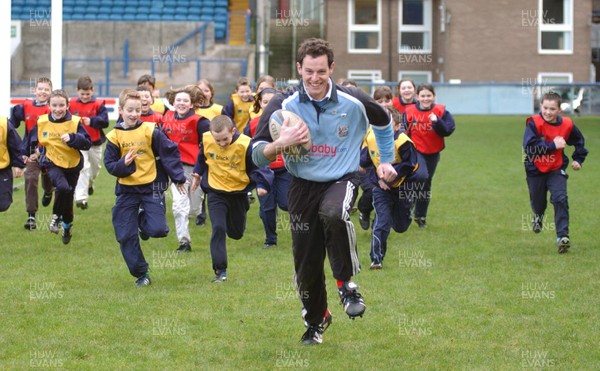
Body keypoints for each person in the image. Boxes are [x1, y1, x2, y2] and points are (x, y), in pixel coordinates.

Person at [251, 38, 397, 345]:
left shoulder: (353, 98)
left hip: (341, 178)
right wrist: (281, 142)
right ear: (298, 69)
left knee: (334, 212)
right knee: (306, 266)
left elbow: (384, 121)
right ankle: (317, 320)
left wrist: (385, 161)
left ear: (331, 68)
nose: (315, 78)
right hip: (301, 186)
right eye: (308, 71)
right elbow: (253, 153)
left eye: (321, 71)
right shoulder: (282, 105)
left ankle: (346, 284)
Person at [104, 89, 187, 287]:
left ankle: (143, 220)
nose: (133, 114)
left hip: (151, 187)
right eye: (129, 110)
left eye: (137, 110)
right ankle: (142, 273)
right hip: (126, 192)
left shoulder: (151, 130)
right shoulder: (113, 137)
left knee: (159, 230)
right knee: (124, 235)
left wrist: (178, 177)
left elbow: (169, 152)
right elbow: (110, 167)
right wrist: (124, 163)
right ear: (121, 110)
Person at [191, 115, 268, 282]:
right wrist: (197, 174)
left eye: (225, 139)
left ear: (233, 131)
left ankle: (244, 205)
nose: (221, 144)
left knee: (236, 233)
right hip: (215, 191)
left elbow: (259, 166)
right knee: (218, 227)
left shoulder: (246, 144)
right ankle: (220, 270)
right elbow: (203, 158)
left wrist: (262, 184)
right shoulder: (206, 139)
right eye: (217, 140)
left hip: (238, 193)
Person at [22, 89, 92, 244]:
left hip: (72, 165)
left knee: (67, 198)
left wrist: (73, 138)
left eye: (62, 105)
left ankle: (67, 225)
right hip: (51, 162)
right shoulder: (42, 122)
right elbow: (30, 138)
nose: (58, 109)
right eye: (55, 105)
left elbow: (87, 143)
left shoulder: (74, 122)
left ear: (67, 106)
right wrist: (27, 153)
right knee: (63, 188)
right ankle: (55, 217)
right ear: (49, 105)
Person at [523, 91, 588, 253]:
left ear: (559, 110)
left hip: (556, 168)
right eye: (545, 107)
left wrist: (578, 159)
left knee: (560, 198)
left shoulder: (567, 124)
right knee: (538, 203)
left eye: (552, 109)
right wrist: (553, 145)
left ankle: (562, 237)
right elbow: (529, 148)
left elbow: (579, 141)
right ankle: (538, 215)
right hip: (535, 169)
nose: (547, 112)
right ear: (541, 106)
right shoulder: (534, 123)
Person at [360, 107, 421, 269]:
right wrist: (377, 177)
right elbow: (366, 161)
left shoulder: (403, 142)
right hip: (380, 188)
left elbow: (411, 165)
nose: (381, 129)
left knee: (400, 226)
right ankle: (376, 258)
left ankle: (408, 208)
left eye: (387, 125)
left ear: (396, 126)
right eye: (378, 125)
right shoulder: (371, 137)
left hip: (403, 187)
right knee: (382, 220)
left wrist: (390, 178)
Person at [163, 85, 210, 251]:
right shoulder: (166, 117)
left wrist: (200, 171)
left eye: (185, 100)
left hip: (196, 169)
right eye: (178, 100)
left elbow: (209, 145)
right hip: (176, 170)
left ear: (191, 104)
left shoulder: (200, 122)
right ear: (173, 103)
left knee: (195, 209)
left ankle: (197, 212)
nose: (181, 103)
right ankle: (184, 242)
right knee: (178, 206)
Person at [404, 84, 455, 228]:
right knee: (421, 176)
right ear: (417, 97)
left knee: (426, 183)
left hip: (433, 152)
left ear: (434, 96)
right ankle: (410, 201)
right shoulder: (409, 111)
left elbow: (448, 131)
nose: (426, 99)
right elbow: (403, 130)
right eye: (423, 96)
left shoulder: (441, 111)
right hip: (416, 150)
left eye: (429, 96)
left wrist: (437, 121)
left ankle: (420, 216)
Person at [245, 87, 291, 249]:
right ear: (259, 103)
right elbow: (247, 148)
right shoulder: (253, 124)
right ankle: (270, 239)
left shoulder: (289, 120)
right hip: (263, 171)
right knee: (267, 207)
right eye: (266, 102)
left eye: (273, 102)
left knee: (286, 203)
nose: (270, 105)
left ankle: (301, 232)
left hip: (285, 169)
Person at [9, 76, 54, 230]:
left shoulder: (53, 109)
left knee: (47, 177)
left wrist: (42, 150)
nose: (43, 92)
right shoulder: (26, 106)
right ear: (34, 90)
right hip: (30, 151)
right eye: (40, 88)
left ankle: (48, 191)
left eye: (46, 89)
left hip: (49, 151)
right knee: (30, 178)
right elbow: (13, 122)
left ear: (51, 92)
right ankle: (31, 216)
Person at [358, 86, 395, 230]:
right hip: (368, 163)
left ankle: (378, 225)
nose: (384, 104)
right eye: (379, 101)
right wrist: (361, 161)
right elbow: (362, 141)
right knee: (371, 191)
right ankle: (364, 209)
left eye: (387, 100)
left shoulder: (397, 118)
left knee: (385, 193)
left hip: (388, 163)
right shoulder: (367, 118)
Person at [70, 76, 109, 209]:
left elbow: (105, 121)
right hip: (80, 142)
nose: (85, 96)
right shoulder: (71, 104)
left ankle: (90, 183)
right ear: (77, 91)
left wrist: (91, 121)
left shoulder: (98, 104)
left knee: (95, 168)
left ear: (92, 91)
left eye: (87, 94)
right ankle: (81, 198)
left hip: (95, 143)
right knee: (83, 168)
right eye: (82, 94)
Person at [0, 116, 26, 212]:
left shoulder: (3, 123)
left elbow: (16, 145)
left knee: (3, 204)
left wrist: (19, 165)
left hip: (2, 168)